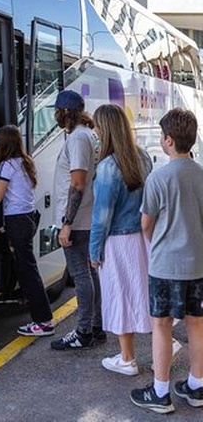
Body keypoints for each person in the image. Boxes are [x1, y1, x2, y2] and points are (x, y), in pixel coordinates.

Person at [130, 108, 203, 414]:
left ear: (168, 140)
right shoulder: (201, 175)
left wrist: (157, 242)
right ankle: (197, 385)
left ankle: (160, 392)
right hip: (197, 264)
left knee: (161, 325)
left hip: (165, 265)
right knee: (196, 323)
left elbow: (146, 223)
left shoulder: (158, 178)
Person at [0, 125, 55, 337]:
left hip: (17, 223)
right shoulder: (25, 162)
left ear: (3, 144)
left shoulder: (7, 166)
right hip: (27, 219)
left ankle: (44, 322)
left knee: (28, 273)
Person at [89, 104, 152, 375]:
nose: (94, 131)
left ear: (105, 129)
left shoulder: (107, 167)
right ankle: (167, 342)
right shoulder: (143, 156)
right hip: (142, 237)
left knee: (120, 295)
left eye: (96, 126)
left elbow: (101, 216)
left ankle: (127, 359)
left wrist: (94, 251)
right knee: (144, 293)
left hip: (116, 241)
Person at [49, 90, 105, 350]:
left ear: (66, 112)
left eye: (57, 111)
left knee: (82, 275)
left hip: (78, 220)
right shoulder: (86, 135)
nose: (55, 116)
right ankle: (96, 327)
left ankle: (84, 331)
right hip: (85, 218)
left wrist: (67, 222)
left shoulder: (79, 138)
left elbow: (78, 183)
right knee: (90, 274)